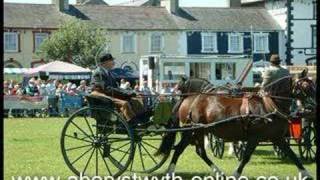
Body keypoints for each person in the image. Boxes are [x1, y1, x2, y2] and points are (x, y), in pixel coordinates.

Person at [90, 53, 137, 121]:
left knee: (134, 99)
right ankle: (132, 124)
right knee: (125, 104)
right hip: (103, 99)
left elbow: (116, 88)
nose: (114, 62)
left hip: (110, 96)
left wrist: (129, 92)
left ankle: (139, 120)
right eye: (112, 60)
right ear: (106, 62)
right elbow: (107, 89)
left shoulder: (109, 73)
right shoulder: (99, 73)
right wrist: (127, 93)